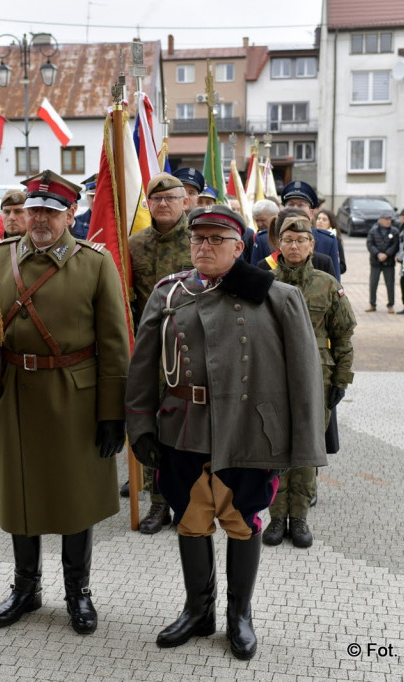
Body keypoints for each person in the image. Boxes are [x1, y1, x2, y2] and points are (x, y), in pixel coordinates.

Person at [125, 204, 326, 660]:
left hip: (250, 432)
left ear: (241, 246)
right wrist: (139, 424)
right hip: (184, 429)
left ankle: (239, 616)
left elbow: (305, 376)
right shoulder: (168, 293)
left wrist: (304, 441)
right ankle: (198, 612)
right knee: (192, 521)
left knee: (242, 521)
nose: (204, 247)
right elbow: (141, 367)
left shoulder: (278, 297)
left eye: (217, 240)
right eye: (198, 239)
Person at [0, 170, 129, 635]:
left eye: (52, 210)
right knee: (18, 494)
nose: (41, 218)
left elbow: (114, 344)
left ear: (72, 214)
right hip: (15, 396)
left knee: (75, 499)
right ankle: (25, 589)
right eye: (34, 209)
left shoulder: (94, 263)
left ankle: (78, 593)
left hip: (74, 397)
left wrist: (113, 414)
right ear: (23, 213)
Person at [258, 214, 355, 549]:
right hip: (272, 379)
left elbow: (343, 337)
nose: (294, 246)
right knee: (274, 448)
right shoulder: (262, 281)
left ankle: (298, 519)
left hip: (318, 380)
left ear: (312, 245)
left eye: (301, 240)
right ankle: (275, 518)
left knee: (307, 450)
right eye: (288, 240)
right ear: (278, 245)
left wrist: (342, 379)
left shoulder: (327, 285)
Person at [127, 172, 193, 534]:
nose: (163, 204)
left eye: (171, 198)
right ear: (148, 204)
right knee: (151, 424)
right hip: (150, 350)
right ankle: (156, 504)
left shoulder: (199, 241)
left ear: (186, 202)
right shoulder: (134, 245)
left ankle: (186, 503)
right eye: (156, 199)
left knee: (185, 428)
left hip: (191, 350)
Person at [280, 180, 341, 279]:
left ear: (312, 213)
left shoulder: (327, 241)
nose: (295, 209)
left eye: (301, 205)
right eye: (290, 204)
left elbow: (335, 285)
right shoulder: (267, 239)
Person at [365, 211, 399, 313]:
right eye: (386, 219)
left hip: (388, 263)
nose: (388, 221)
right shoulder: (373, 231)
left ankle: (390, 305)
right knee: (373, 283)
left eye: (389, 219)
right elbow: (370, 244)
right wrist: (378, 254)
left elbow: (395, 245)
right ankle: (372, 304)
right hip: (376, 262)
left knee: (390, 284)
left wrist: (387, 254)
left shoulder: (394, 231)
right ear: (380, 220)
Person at [314, 208, 347, 277]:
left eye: (324, 220)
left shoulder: (335, 239)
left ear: (331, 223)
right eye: (319, 218)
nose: (320, 221)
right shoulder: (311, 236)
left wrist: (329, 268)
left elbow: (343, 266)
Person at [71, 175, 96, 239]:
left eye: (99, 196)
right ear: (87, 197)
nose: (95, 200)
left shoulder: (116, 221)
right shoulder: (76, 222)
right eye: (92, 196)